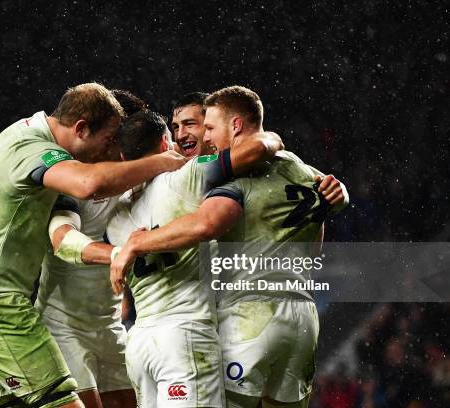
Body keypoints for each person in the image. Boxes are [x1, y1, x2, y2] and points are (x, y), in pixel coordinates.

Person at [0, 83, 187, 408]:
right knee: (62, 402)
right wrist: (165, 162)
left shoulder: (23, 135)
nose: (111, 148)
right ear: (81, 128)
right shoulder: (34, 151)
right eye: (110, 138)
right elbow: (88, 185)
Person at [110, 86, 349, 408]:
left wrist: (136, 243)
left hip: (245, 315)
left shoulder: (221, 180)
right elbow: (323, 210)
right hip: (302, 313)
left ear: (234, 126)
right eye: (177, 127)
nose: (203, 138)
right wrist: (340, 193)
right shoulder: (300, 168)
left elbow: (206, 224)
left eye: (205, 126)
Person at [105, 109, 284, 407]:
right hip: (185, 336)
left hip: (140, 344)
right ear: (165, 143)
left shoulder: (114, 214)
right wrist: (275, 138)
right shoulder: (187, 177)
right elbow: (256, 149)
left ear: (123, 158)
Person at [34, 90, 148, 408]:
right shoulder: (74, 179)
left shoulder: (139, 180)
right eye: (114, 135)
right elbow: (63, 239)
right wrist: (115, 254)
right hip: (62, 327)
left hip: (110, 326)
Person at [171, 92, 212, 157]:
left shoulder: (228, 160)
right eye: (176, 127)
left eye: (189, 124)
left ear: (210, 125)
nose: (180, 136)